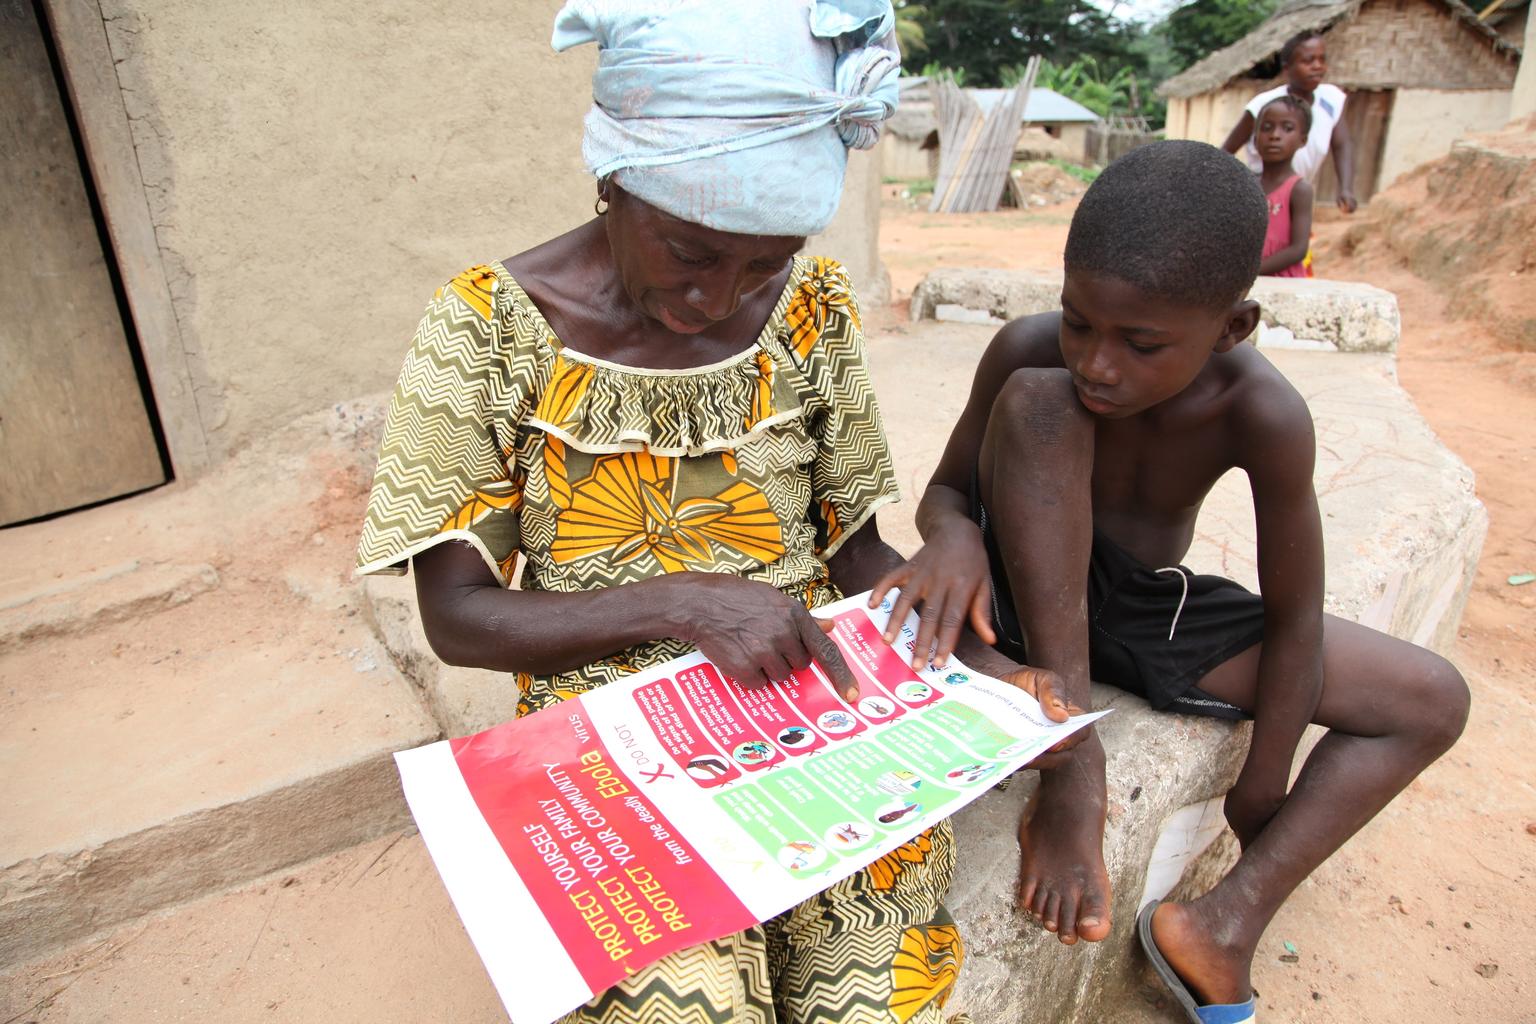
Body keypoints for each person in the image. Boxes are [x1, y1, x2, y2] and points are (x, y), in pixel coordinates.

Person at [355, 3, 1069, 1021]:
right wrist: (687, 601)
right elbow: (460, 617)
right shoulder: (484, 327)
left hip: (817, 704)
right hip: (607, 740)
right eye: (689, 251)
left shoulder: (813, 306)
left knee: (868, 998)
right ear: (614, 185)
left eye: (761, 261)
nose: (721, 295)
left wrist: (986, 677)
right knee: (686, 1005)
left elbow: (856, 550)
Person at [873, 141, 1469, 1022]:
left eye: (1141, 342)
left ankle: (1222, 927)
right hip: (1006, 602)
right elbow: (948, 490)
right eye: (1080, 320)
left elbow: (1298, 615)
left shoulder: (1262, 413)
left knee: (1430, 698)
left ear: (1232, 328)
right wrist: (954, 533)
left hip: (1142, 606)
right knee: (1043, 406)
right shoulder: (1030, 354)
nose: (1098, 363)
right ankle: (1074, 770)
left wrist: (1264, 777)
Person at [1222, 30, 1357, 214]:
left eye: (1322, 59)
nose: (1317, 66)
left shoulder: (1331, 99)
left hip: (1295, 192)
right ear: (1287, 68)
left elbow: (1342, 144)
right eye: (1308, 61)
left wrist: (1345, 188)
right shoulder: (1264, 105)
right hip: (1261, 192)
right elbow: (1225, 151)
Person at [1254, 96, 1314, 278]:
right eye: (1266, 128)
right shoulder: (1246, 185)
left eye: (1287, 128)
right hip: (1245, 283)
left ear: (1302, 140)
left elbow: (1298, 249)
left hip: (1284, 283)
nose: (1274, 135)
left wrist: (1251, 272)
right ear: (1255, 137)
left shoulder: (1299, 190)